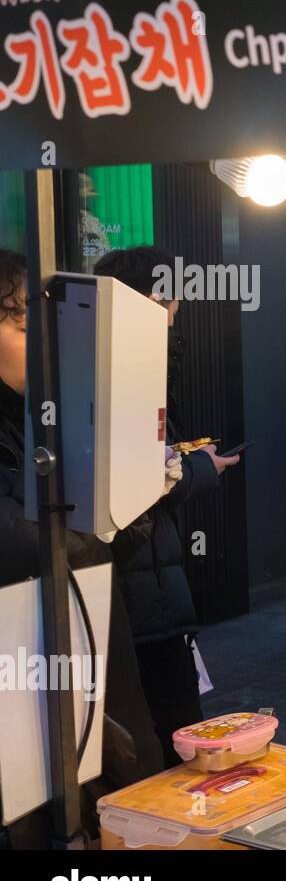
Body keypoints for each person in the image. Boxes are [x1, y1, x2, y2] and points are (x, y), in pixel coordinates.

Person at [0, 250, 163, 847]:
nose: (40, 344)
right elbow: (24, 543)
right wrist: (98, 527)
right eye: (22, 327)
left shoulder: (32, 417)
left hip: (73, 667)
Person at [93, 246, 241, 767]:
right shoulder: (121, 370)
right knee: (169, 729)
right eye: (172, 301)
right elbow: (134, 474)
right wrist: (200, 468)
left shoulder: (99, 359)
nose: (177, 311)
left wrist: (184, 460)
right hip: (141, 584)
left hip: (139, 581)